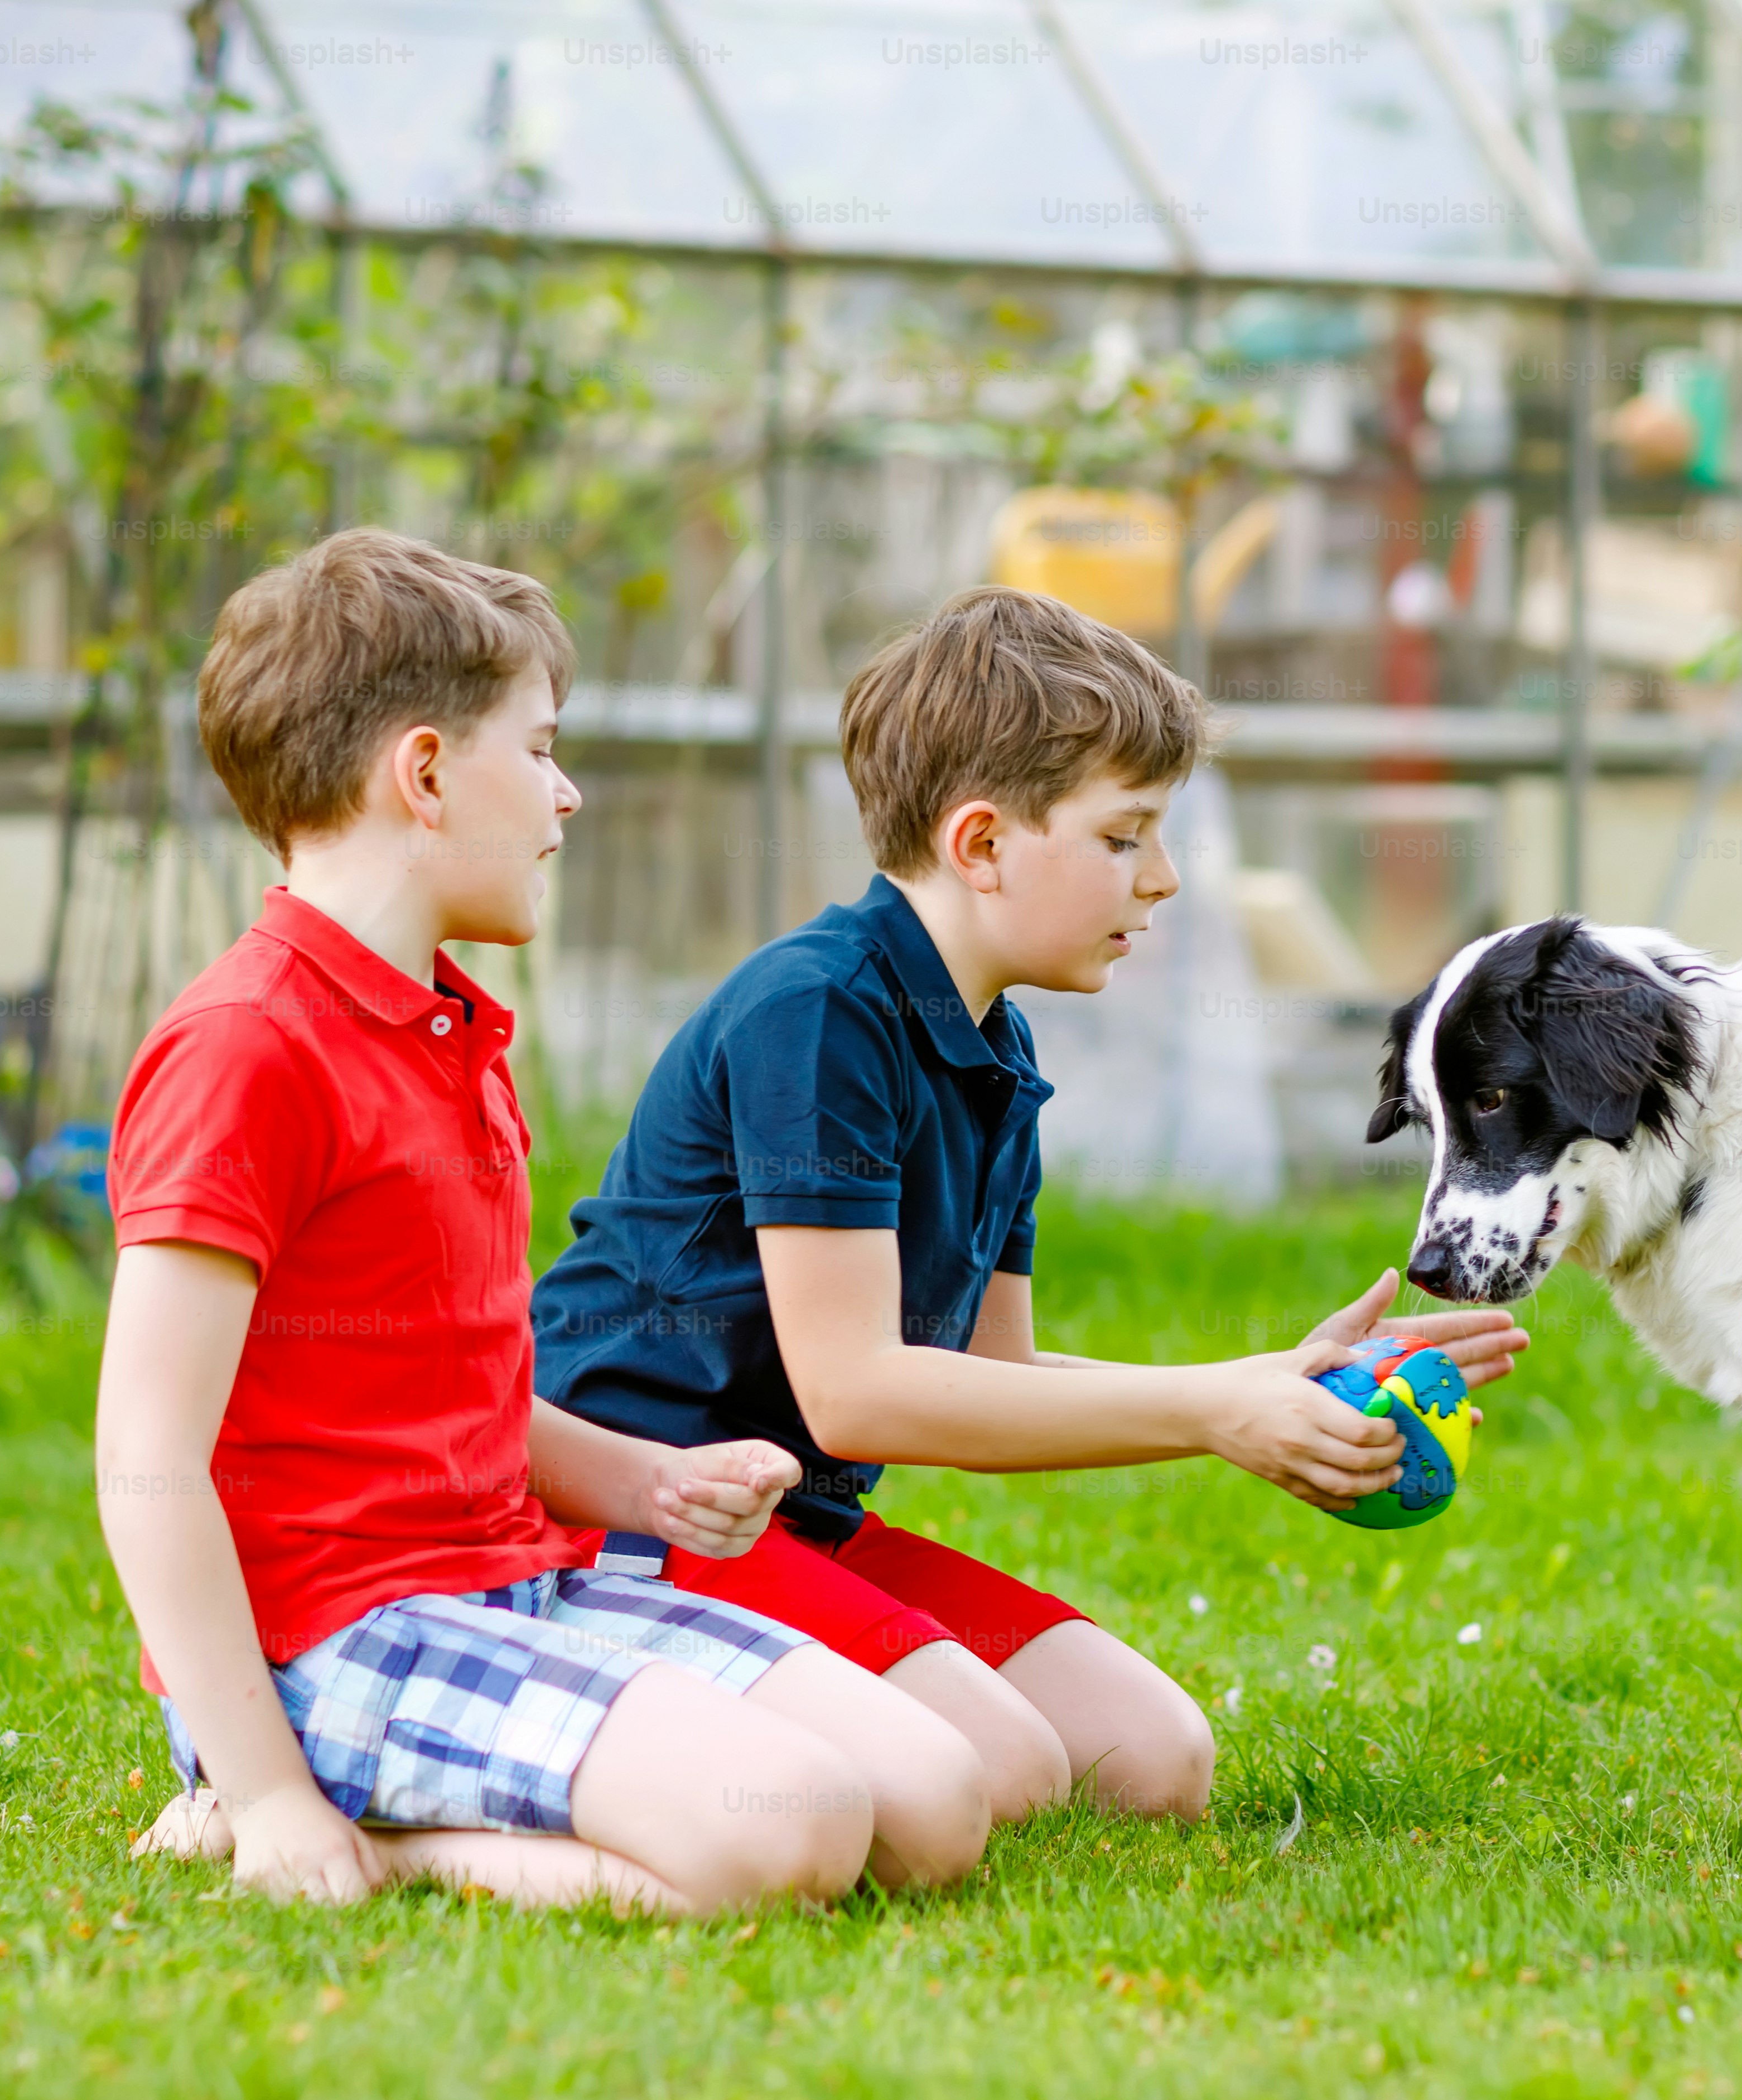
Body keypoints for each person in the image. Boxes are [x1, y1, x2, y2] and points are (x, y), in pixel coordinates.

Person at [530, 585, 1526, 1822]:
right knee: (1004, 1770)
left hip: (800, 1523)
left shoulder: (999, 1056)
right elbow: (859, 1390)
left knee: (1151, 1760)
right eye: (1124, 838)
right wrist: (1213, 1411)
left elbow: (996, 1373)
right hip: (636, 1515)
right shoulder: (821, 1012)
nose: (1162, 880)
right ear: (983, 844)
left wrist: (1273, 1381)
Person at [100, 529, 986, 1911]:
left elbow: (452, 1388)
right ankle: (299, 1826)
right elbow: (146, 1456)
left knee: (938, 1803)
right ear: (429, 773)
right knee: (792, 1835)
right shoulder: (246, 1048)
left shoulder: (450, 1029)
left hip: (519, 1582)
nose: (567, 796)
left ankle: (341, 1810)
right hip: (336, 1636)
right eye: (542, 748)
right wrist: (273, 1787)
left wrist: (643, 1486)